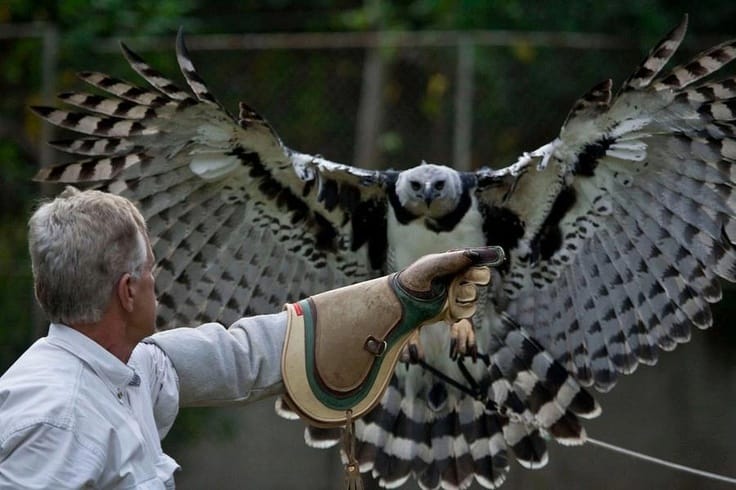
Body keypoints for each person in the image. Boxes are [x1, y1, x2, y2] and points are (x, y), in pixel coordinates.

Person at [0, 187, 500, 489]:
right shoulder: (57, 421)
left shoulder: (125, 370)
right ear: (128, 292)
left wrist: (402, 300)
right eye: (151, 269)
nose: (159, 279)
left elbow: (246, 355)